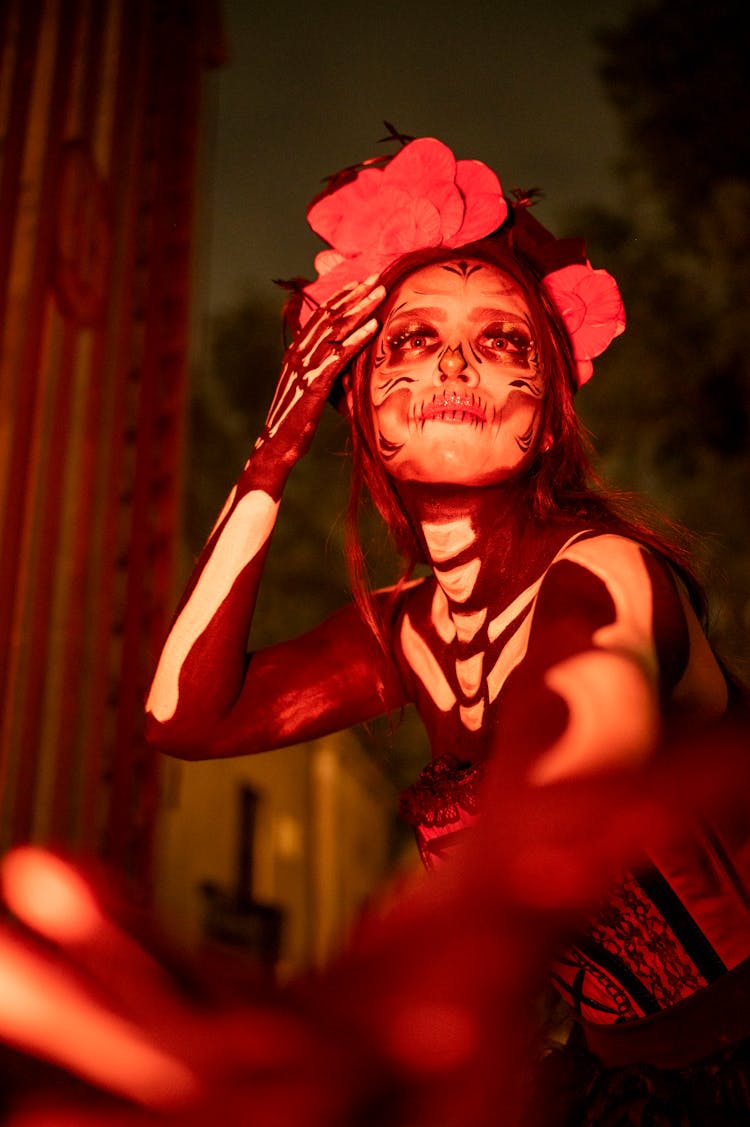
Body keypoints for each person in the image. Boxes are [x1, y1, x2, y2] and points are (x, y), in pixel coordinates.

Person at [0, 135, 747, 1126]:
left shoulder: (603, 572)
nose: (452, 360)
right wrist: (270, 455)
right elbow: (181, 715)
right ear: (361, 400)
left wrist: (358, 1019)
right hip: (603, 1084)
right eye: (411, 338)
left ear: (550, 414)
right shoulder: (404, 633)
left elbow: (575, 738)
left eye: (502, 341)